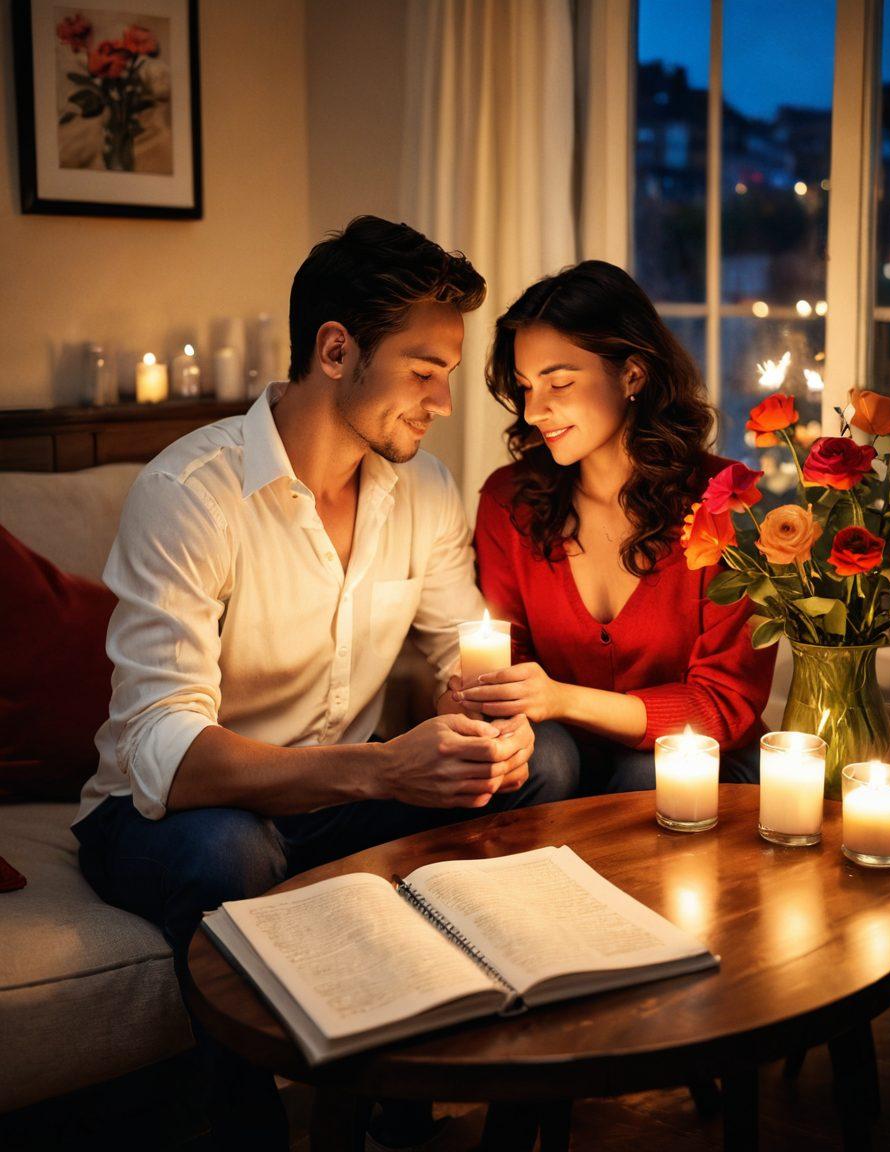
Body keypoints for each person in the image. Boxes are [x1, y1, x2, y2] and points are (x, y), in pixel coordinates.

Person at [73, 217, 579, 1150]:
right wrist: (386, 771)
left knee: (544, 756)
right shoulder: (192, 494)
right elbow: (164, 755)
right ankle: (253, 1131)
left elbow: (450, 660)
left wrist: (483, 719)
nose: (441, 403)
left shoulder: (420, 490)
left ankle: (467, 1078)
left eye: (448, 377)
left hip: (332, 799)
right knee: (230, 855)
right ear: (336, 350)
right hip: (172, 817)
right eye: (423, 372)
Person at [454, 260, 776, 791]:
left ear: (632, 373)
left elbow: (726, 704)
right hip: (560, 761)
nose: (535, 410)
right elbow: (509, 663)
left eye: (559, 381)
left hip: (698, 763)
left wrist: (564, 699)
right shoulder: (509, 502)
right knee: (544, 758)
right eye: (525, 386)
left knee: (647, 771)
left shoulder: (724, 503)